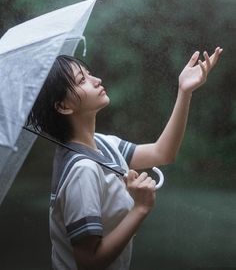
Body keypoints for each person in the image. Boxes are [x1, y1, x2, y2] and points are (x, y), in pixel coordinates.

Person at [28, 47, 222, 270]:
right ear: (63, 106)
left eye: (88, 73)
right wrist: (140, 208)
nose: (96, 80)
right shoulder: (82, 170)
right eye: (82, 80)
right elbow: (88, 262)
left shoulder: (102, 143)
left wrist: (184, 91)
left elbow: (162, 153)